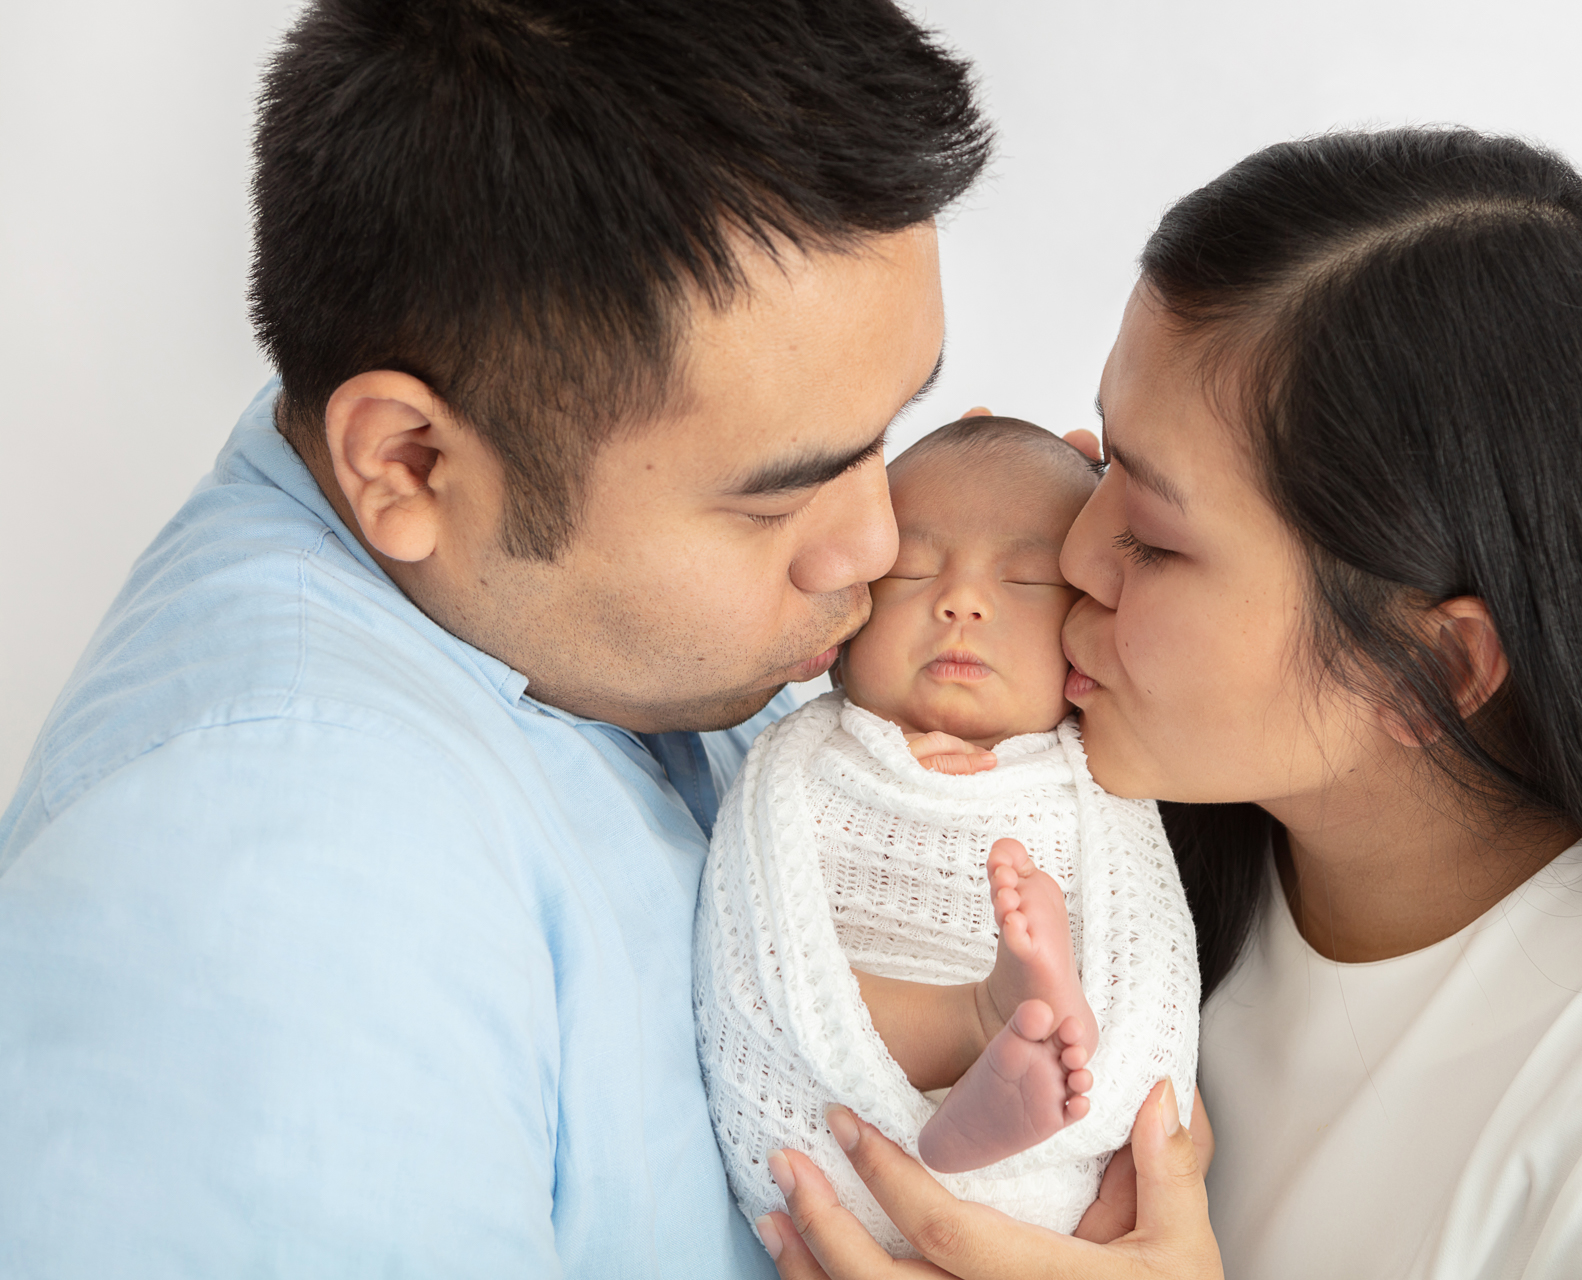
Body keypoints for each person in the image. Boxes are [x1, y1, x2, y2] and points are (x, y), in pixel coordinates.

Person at [754, 129, 1582, 1279]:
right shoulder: (1118, 852)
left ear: (1428, 668)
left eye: (1152, 535)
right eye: (1104, 459)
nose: (1072, 551)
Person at [0, 1, 989, 1275]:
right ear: (408, 462)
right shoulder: (282, 903)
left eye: (885, 434)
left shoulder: (529, 600)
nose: (876, 543)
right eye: (776, 498)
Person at [694, 416, 1200, 1253]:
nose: (962, 601)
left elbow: (1147, 954)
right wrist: (895, 764)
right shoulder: (811, 755)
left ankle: (998, 1079)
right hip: (835, 1111)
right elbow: (752, 946)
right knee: (805, 983)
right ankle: (978, 1023)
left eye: (1027, 579)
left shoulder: (1099, 769)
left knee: (1085, 1034)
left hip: (1055, 1187)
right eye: (915, 569)